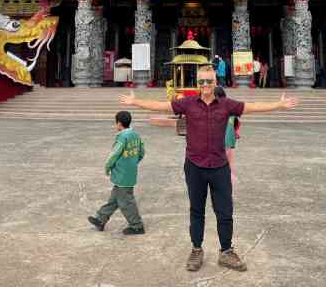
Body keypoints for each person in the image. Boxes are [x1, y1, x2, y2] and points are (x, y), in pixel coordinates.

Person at [120, 64, 298, 273]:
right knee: (197, 210)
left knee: (225, 212)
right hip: (194, 166)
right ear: (198, 83)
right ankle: (196, 250)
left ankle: (226, 251)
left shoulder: (226, 105)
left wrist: (278, 105)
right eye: (202, 81)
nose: (205, 85)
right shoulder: (187, 103)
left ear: (215, 82)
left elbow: (252, 106)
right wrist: (135, 102)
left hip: (219, 167)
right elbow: (161, 106)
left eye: (209, 81)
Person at [88, 111, 145, 235]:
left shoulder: (122, 138)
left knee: (126, 202)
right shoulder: (135, 135)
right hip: (129, 172)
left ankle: (137, 226)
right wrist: (133, 163)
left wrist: (107, 167)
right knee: (115, 198)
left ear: (119, 123)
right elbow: (141, 152)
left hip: (122, 174)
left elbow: (114, 154)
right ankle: (100, 219)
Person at [215, 87, 240, 185]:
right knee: (228, 161)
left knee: (227, 161)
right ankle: (229, 178)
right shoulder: (230, 109)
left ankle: (228, 178)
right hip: (228, 141)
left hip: (226, 141)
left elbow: (236, 124)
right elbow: (237, 125)